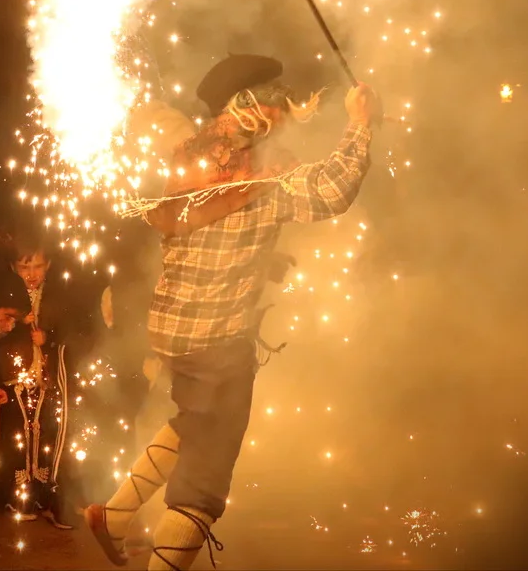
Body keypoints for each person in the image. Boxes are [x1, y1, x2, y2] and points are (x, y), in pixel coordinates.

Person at [84, 54, 380, 570]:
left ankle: (113, 516)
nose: (284, 114)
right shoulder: (265, 173)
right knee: (203, 482)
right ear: (252, 108)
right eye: (276, 104)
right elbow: (332, 190)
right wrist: (360, 123)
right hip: (216, 343)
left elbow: (214, 232)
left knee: (193, 422)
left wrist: (263, 259)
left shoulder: (189, 155)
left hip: (174, 330)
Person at [0, 232, 84, 530]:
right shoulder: (6, 294)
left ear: (48, 265)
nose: (32, 274)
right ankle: (19, 493)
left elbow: (67, 329)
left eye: (38, 266)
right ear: (14, 267)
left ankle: (41, 491)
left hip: (46, 376)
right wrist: (12, 322)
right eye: (25, 267)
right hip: (16, 374)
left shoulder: (56, 296)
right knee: (20, 434)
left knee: (42, 432)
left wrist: (47, 338)